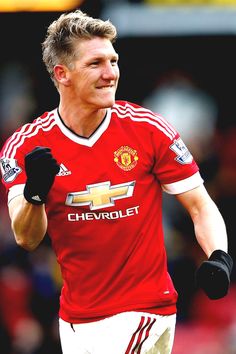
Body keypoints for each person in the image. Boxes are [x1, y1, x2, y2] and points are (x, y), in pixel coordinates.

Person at [0, 9, 233, 354]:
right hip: (77, 320)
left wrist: (219, 256)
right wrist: (35, 193)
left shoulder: (148, 129)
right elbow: (27, 237)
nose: (111, 73)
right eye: (96, 63)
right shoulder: (25, 145)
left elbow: (201, 206)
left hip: (146, 313)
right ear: (62, 74)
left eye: (114, 60)